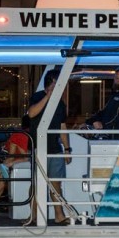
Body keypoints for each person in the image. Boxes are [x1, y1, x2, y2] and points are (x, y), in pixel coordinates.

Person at [24, 67, 71, 224]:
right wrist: (48, 97)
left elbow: (62, 126)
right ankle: (33, 215)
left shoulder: (61, 103)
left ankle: (59, 215)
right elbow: (31, 113)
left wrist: (67, 148)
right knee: (37, 183)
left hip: (55, 149)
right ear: (51, 83)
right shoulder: (37, 96)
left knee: (56, 183)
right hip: (38, 148)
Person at [0, 128, 31, 217]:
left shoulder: (15, 137)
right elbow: (14, 157)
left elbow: (13, 156)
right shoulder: (18, 137)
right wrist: (9, 164)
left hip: (1, 162)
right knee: (1, 185)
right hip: (3, 163)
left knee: (1, 185)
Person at [89, 68, 119, 134]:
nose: (118, 79)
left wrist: (103, 124)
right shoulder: (115, 94)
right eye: (116, 77)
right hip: (111, 132)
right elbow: (105, 111)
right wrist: (89, 121)